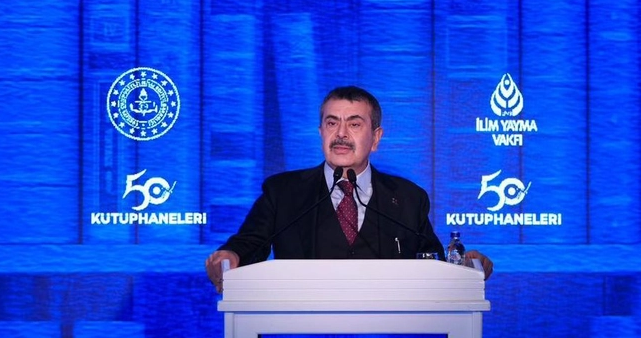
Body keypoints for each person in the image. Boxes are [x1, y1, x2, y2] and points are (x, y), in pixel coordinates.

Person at [205, 86, 493, 292]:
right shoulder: (283, 192)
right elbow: (247, 246)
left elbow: (433, 267)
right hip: (302, 336)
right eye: (332, 123)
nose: (341, 134)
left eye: (354, 124)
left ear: (376, 138)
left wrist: (465, 270)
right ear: (321, 132)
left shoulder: (408, 198)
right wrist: (229, 258)